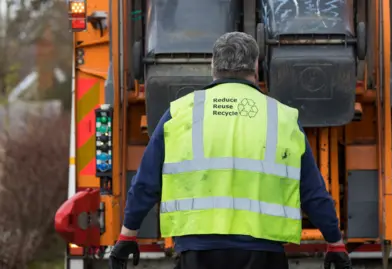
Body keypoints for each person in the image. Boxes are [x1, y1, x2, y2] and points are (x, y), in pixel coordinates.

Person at [109, 32, 352, 269]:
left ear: (213, 66)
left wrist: (128, 235)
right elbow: (312, 192)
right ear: (256, 67)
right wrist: (335, 242)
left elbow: (146, 183)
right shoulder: (283, 118)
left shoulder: (180, 113)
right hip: (263, 251)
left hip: (197, 250)